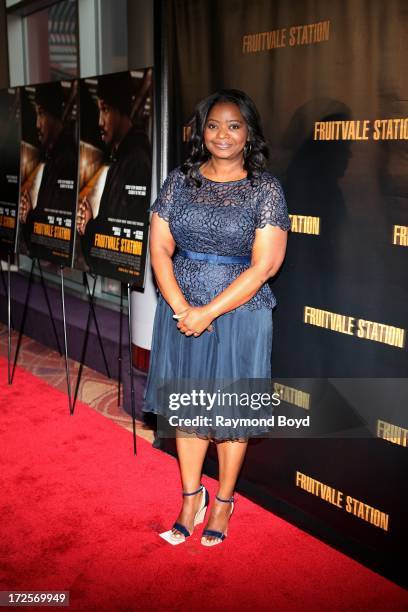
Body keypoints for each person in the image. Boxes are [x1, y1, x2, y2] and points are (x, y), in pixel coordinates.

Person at [143, 89, 290, 547]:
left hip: (239, 314)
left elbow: (265, 265)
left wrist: (207, 312)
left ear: (249, 133)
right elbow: (160, 248)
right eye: (213, 125)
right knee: (187, 409)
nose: (222, 135)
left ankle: (223, 500)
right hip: (181, 311)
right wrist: (183, 309)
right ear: (200, 131)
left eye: (233, 126)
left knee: (229, 414)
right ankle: (191, 497)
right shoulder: (179, 182)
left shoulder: (264, 189)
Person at [76, 72, 151, 262]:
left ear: (122, 111)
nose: (100, 121)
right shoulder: (123, 157)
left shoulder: (135, 160)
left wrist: (90, 225)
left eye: (106, 109)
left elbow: (124, 235)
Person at [19, 82, 77, 252]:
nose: (38, 124)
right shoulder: (56, 154)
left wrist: (30, 215)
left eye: (41, 114)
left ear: (54, 116)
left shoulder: (65, 159)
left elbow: (56, 218)